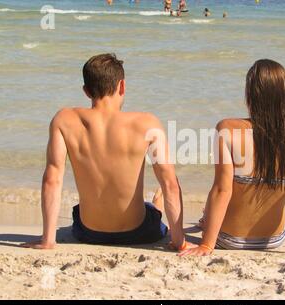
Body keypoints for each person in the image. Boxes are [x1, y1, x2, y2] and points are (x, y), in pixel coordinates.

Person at [22, 54, 193, 252]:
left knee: (80, 212)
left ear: (86, 91)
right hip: (139, 232)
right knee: (153, 209)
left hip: (88, 232)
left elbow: (52, 180)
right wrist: (179, 242)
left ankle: (153, 205)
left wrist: (48, 240)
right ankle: (156, 206)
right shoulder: (147, 123)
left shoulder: (64, 120)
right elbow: (170, 184)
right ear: (122, 86)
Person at [180, 59, 285, 256]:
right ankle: (205, 218)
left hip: (228, 239)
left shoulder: (227, 129)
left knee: (215, 198)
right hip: (273, 241)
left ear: (250, 93)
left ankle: (205, 220)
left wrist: (207, 245)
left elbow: (222, 190)